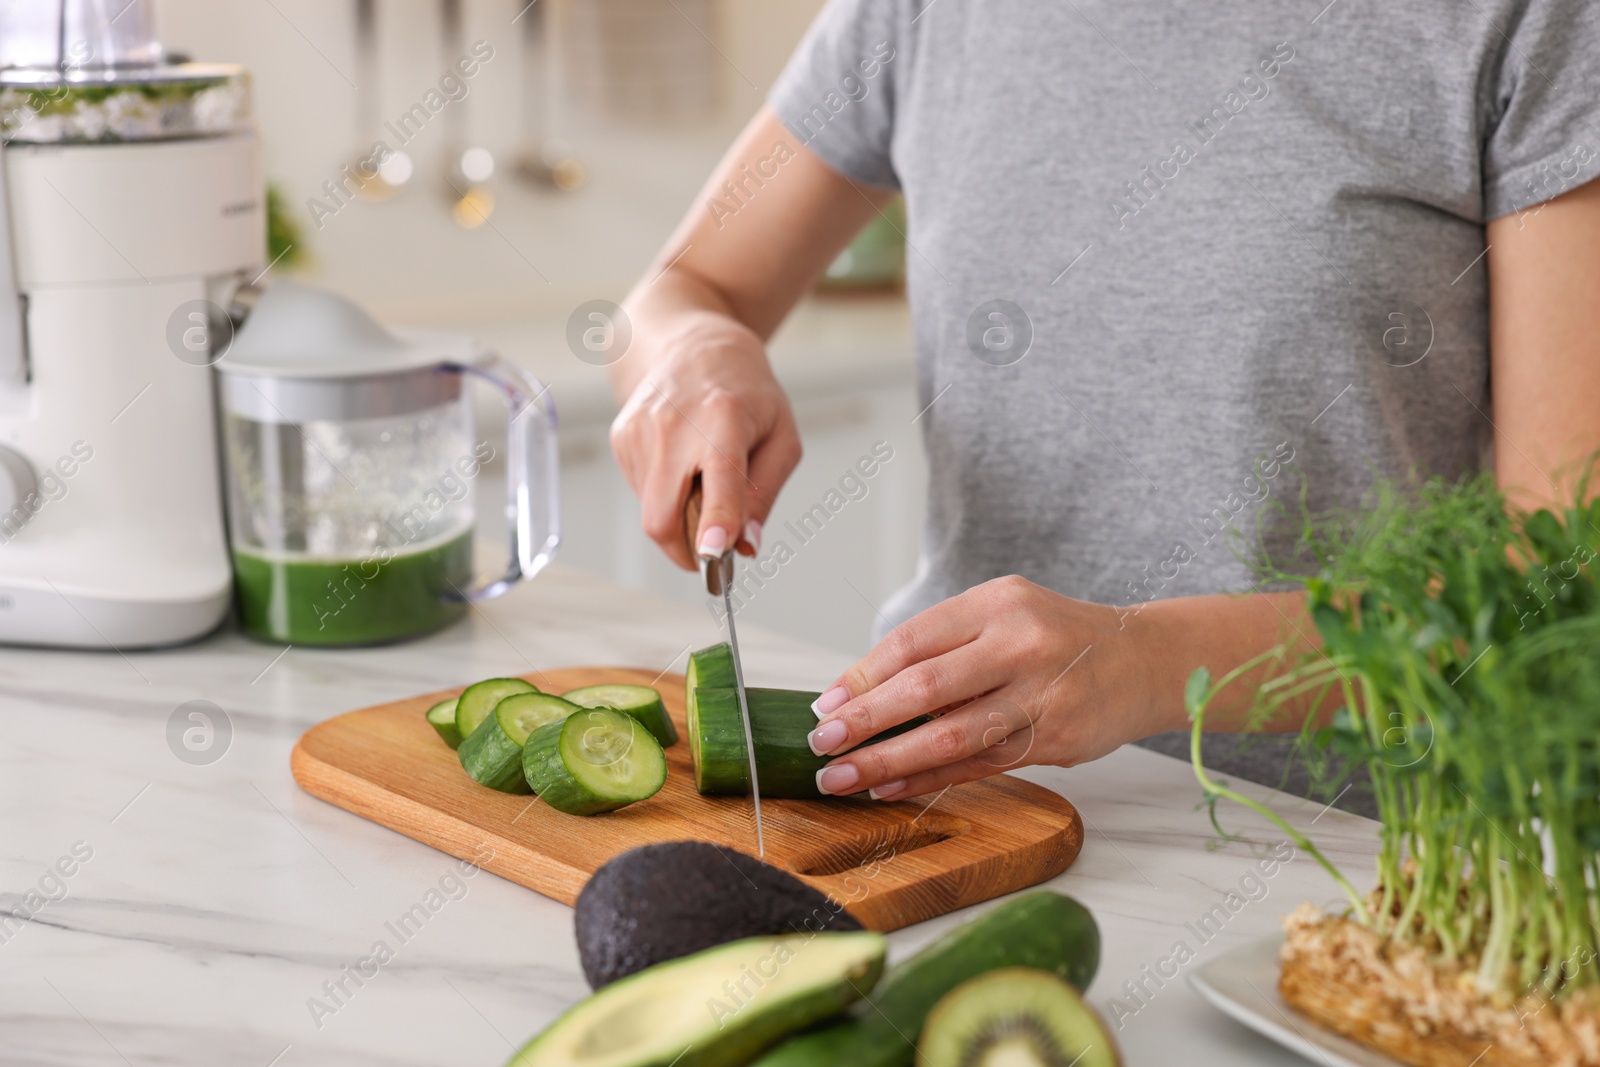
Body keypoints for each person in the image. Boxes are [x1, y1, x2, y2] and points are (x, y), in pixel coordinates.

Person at [607, 0, 1600, 807]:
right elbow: (686, 288)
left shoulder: (1531, 21)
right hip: (949, 810)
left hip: (1357, 856)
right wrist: (693, 349)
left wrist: (1150, 662)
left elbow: (1560, 590)